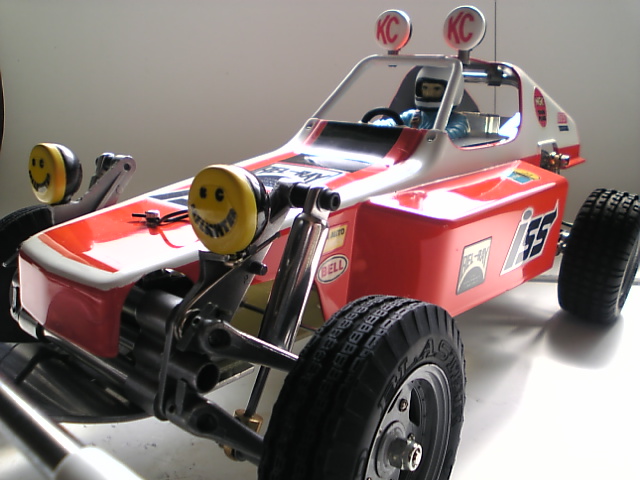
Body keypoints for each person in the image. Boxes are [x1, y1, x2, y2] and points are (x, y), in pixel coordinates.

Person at [377, 66, 470, 139]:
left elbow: (450, 134)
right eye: (425, 88)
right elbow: (389, 124)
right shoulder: (411, 115)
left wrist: (415, 135)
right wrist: (373, 127)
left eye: (436, 89)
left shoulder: (457, 119)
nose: (429, 93)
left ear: (452, 91)